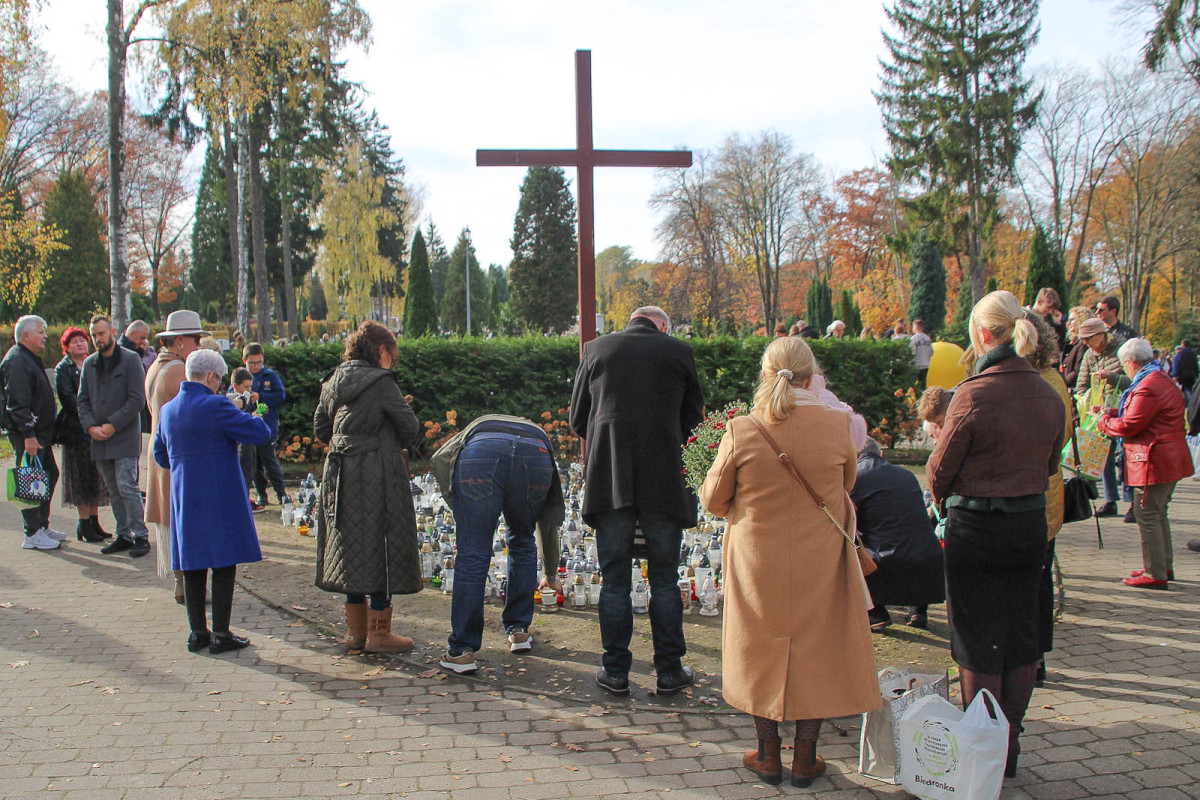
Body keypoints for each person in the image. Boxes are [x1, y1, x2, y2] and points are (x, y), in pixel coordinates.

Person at [699, 336, 878, 787]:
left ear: (766, 374)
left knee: (761, 649)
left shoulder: (743, 428)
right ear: (811, 376)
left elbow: (713, 500)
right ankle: (805, 759)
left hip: (758, 561)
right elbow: (847, 483)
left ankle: (766, 755)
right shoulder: (838, 425)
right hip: (821, 557)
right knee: (815, 650)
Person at [927, 290, 1065, 779]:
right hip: (1028, 527)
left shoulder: (974, 392)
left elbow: (939, 471)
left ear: (983, 334)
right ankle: (1007, 745)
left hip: (978, 528)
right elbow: (1051, 464)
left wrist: (949, 497)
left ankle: (983, 748)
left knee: (976, 638)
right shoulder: (1049, 392)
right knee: (1021, 636)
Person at [570, 305, 705, 697]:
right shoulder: (678, 351)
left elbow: (578, 417)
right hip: (664, 479)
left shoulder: (595, 350)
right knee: (664, 577)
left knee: (614, 578)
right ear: (662, 325)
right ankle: (669, 671)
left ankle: (614, 672)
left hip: (611, 479)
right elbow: (693, 421)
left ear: (631, 321)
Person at [313, 321, 422, 654]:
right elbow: (410, 426)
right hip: (377, 471)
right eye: (391, 352)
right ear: (380, 351)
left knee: (351, 549)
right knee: (382, 544)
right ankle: (379, 635)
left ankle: (354, 634)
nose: (392, 359)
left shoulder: (333, 382)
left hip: (340, 473)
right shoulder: (381, 382)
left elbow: (321, 429)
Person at [154, 349, 273, 654]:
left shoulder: (168, 410)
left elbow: (159, 454)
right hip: (219, 492)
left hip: (184, 494)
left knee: (192, 563)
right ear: (210, 377)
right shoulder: (217, 405)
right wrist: (250, 412)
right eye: (219, 380)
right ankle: (220, 633)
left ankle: (197, 633)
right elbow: (260, 432)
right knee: (223, 561)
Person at [431, 414, 564, 673]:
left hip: (481, 455)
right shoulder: (536, 433)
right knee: (523, 540)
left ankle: (461, 651)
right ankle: (519, 631)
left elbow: (439, 459)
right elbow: (547, 519)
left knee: (473, 551)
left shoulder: (475, 428)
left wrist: (463, 510)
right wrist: (550, 572)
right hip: (535, 455)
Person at [1096, 339, 1193, 589]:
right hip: (1167, 458)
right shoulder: (1157, 379)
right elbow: (1139, 413)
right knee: (1158, 514)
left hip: (1155, 460)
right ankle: (1162, 565)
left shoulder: (1147, 386)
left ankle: (1154, 572)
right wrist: (1111, 412)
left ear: (1131, 363)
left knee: (1147, 514)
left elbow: (1131, 424)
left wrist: (1103, 423)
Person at [1023, 311, 1074, 686]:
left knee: (1034, 581)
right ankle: (1035, 657)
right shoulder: (1053, 379)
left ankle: (1032, 657)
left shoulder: (1040, 382)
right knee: (1039, 580)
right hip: (1045, 490)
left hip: (1033, 495)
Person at [852, 437, 944, 631]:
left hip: (885, 562)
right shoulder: (907, 475)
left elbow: (849, 521)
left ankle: (876, 612)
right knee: (911, 535)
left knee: (853, 545)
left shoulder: (856, 478)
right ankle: (918, 610)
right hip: (929, 558)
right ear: (881, 453)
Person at [145, 310, 205, 600]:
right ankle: (187, 584)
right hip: (176, 454)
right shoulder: (178, 371)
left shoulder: (155, 367)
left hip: (161, 450)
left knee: (170, 518)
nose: (198, 347)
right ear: (180, 341)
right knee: (181, 519)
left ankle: (182, 583)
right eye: (196, 340)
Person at [78, 315, 150, 559]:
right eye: (94, 334)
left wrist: (113, 425)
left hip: (124, 435)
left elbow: (137, 400)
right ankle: (124, 534)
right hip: (98, 437)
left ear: (112, 332)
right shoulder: (90, 364)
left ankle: (140, 535)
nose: (98, 338)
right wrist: (91, 427)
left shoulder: (130, 360)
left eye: (101, 333)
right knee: (112, 488)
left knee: (127, 485)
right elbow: (82, 401)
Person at [1, 315, 63, 550]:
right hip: (28, 433)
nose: (45, 336)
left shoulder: (29, 358)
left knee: (47, 475)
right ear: (26, 335)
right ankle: (32, 533)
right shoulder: (16, 361)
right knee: (30, 480)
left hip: (39, 432)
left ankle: (42, 525)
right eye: (40, 331)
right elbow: (17, 402)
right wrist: (28, 434)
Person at [54, 327, 111, 543]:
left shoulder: (94, 364)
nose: (80, 344)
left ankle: (95, 521)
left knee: (95, 476)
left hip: (95, 428)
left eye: (82, 340)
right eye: (75, 341)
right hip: (76, 431)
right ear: (66, 346)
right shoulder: (64, 369)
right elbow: (69, 399)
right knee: (80, 478)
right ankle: (84, 523)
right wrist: (89, 418)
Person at [1074, 316, 1132, 518]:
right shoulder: (1090, 354)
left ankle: (1132, 501)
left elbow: (1134, 380)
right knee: (1104, 456)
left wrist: (1112, 378)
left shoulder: (1123, 348)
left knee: (1126, 456)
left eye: (1088, 339)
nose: (1085, 344)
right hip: (1100, 413)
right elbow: (1081, 384)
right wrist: (1085, 398)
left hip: (1124, 410)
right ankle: (1110, 500)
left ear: (1101, 335)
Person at [242, 342, 289, 507]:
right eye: (252, 363)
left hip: (267, 427)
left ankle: (281, 493)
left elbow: (280, 395)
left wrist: (260, 396)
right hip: (249, 429)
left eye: (259, 362)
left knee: (270, 461)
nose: (255, 366)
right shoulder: (241, 377)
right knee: (254, 465)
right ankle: (261, 494)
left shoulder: (270, 376)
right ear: (244, 361)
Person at [1062, 306, 1095, 393]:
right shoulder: (1072, 343)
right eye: (1068, 320)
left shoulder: (1083, 344)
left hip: (1077, 392)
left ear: (1082, 320)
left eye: (1072, 319)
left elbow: (1078, 371)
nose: (1068, 323)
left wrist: (1061, 381)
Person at [1030, 288, 1068, 356]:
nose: (1050, 311)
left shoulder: (1046, 322)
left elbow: (1059, 346)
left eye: (1053, 309)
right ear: (1039, 302)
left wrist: (1058, 324)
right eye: (1049, 307)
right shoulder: (1023, 316)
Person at [910, 319, 934, 389]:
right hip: (926, 364)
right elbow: (931, 351)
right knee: (923, 385)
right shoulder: (927, 338)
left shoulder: (914, 338)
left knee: (914, 385)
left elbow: (912, 351)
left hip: (916, 365)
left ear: (916, 327)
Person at [1173, 339, 1198, 405]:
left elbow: (1177, 365)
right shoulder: (1193, 354)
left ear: (1183, 344)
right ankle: (1192, 403)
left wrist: (1175, 375)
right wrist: (1196, 375)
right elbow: (1196, 365)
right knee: (1191, 390)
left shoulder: (1179, 354)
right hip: (1192, 375)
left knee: (1183, 391)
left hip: (1182, 376)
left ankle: (1188, 404)